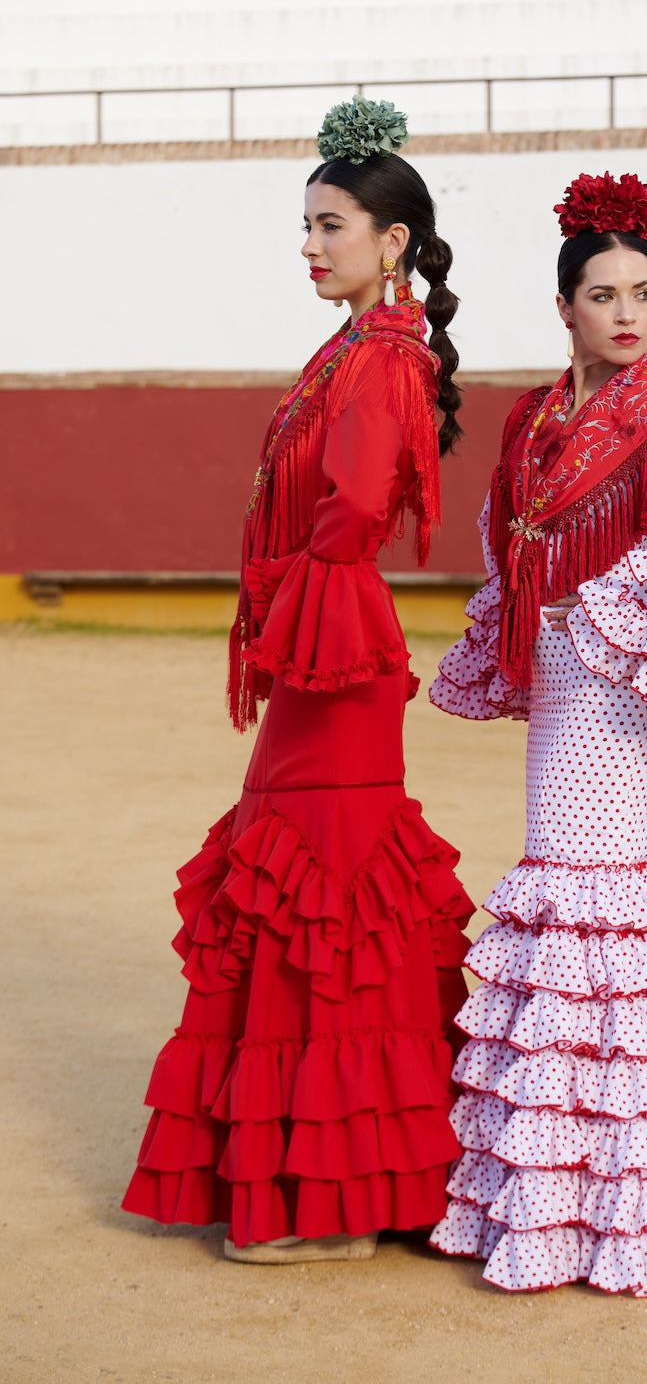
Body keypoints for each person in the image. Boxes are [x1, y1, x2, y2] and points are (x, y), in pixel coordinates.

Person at [122, 98, 473, 1263]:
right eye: (308, 226)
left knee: (318, 888)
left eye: (332, 225)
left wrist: (296, 603)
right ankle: (350, 1184)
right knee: (323, 888)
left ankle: (331, 1205)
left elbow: (359, 504)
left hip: (334, 637)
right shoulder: (359, 347)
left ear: (392, 240)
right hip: (328, 631)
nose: (313, 245)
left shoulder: (375, 357)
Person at [429, 171, 647, 1297]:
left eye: (642, 294)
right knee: (569, 879)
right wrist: (522, 612)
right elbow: (499, 522)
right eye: (603, 294)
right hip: (562, 666)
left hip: (617, 678)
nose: (626, 314)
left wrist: (617, 603)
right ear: (565, 307)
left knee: (590, 884)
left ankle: (613, 1198)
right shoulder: (536, 415)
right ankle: (593, 1179)